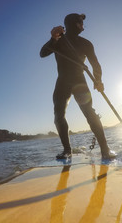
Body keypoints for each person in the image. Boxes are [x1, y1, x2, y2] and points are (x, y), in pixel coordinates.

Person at [40, 13, 116, 160]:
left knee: (89, 112)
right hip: (62, 82)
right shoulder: (58, 40)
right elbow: (42, 53)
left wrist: (98, 80)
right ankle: (67, 151)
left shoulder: (86, 44)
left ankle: (105, 150)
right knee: (58, 116)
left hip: (79, 81)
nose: (83, 26)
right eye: (81, 23)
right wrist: (53, 38)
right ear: (73, 24)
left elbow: (95, 65)